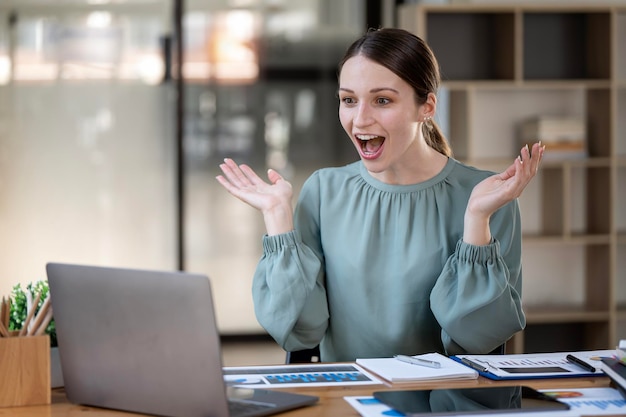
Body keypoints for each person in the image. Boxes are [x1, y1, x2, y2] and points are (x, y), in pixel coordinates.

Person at [216, 28, 544, 362]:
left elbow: (479, 339)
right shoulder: (323, 191)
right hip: (347, 400)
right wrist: (278, 221)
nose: (360, 119)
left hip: (444, 404)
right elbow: (301, 331)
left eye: (382, 100)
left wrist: (476, 220)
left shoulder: (488, 197)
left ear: (426, 106)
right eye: (348, 100)